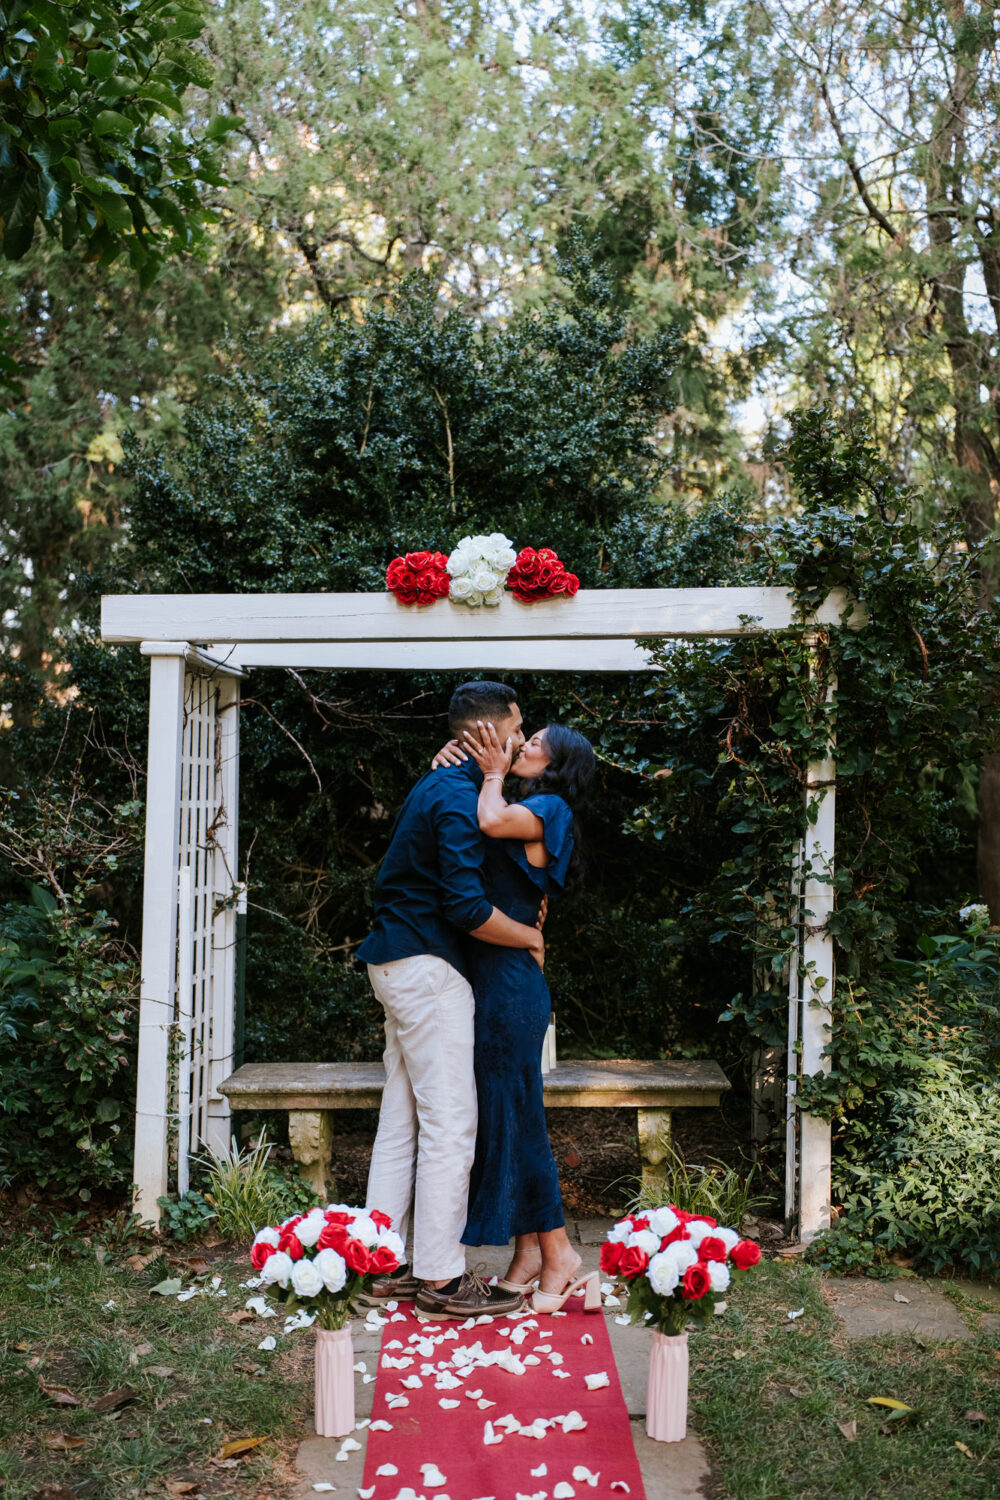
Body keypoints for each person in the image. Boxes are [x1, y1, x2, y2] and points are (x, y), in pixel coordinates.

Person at [357, 681, 546, 1321]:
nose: (521, 739)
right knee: (450, 1124)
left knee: (402, 1118)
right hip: (428, 968)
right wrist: (530, 936)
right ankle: (440, 1278)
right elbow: (465, 907)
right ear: (488, 733)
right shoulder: (456, 794)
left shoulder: (440, 782)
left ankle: (379, 1262)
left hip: (395, 960)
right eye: (516, 728)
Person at [433, 717, 601, 1314]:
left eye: (534, 745)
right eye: (526, 738)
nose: (523, 745)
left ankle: (559, 1254)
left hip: (511, 988)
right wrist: (459, 762)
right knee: (510, 1116)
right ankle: (530, 1255)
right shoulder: (524, 799)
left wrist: (494, 774)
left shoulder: (552, 807)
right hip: (492, 980)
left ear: (556, 766)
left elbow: (488, 820)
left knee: (519, 1119)